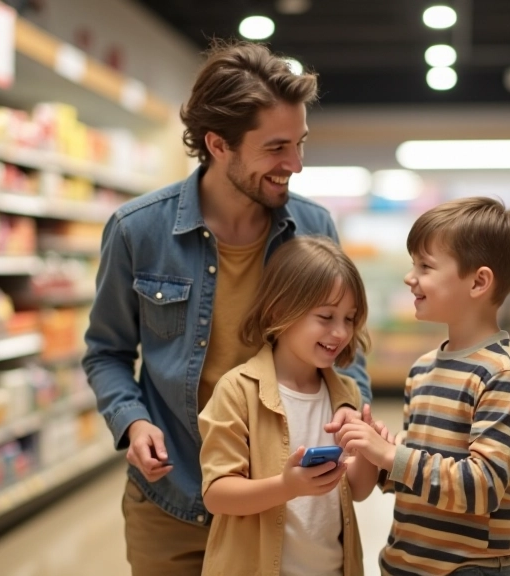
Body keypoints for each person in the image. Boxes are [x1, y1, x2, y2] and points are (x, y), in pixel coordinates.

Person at [82, 40, 371, 575]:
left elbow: (345, 349)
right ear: (218, 144)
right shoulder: (137, 230)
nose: (297, 164)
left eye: (301, 143)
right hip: (173, 495)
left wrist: (351, 412)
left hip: (280, 498)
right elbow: (106, 351)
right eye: (277, 148)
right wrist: (133, 422)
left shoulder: (313, 229)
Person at [339, 197, 510, 576]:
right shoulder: (422, 370)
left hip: (468, 568)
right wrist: (373, 451)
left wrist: (391, 456)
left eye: (425, 266)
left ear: (478, 281)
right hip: (410, 562)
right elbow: (422, 475)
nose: (409, 277)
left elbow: (481, 487)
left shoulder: (501, 376)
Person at [198, 236, 378, 576]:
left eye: (350, 318)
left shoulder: (347, 394)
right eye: (326, 316)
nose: (340, 332)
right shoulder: (238, 391)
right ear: (280, 310)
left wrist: (369, 451)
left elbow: (357, 491)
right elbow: (217, 494)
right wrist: (287, 487)